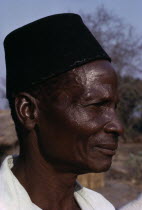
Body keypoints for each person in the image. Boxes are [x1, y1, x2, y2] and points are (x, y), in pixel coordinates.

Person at [0, 13, 123, 210]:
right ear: (28, 111)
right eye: (96, 105)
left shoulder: (100, 206)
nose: (117, 127)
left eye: (114, 107)